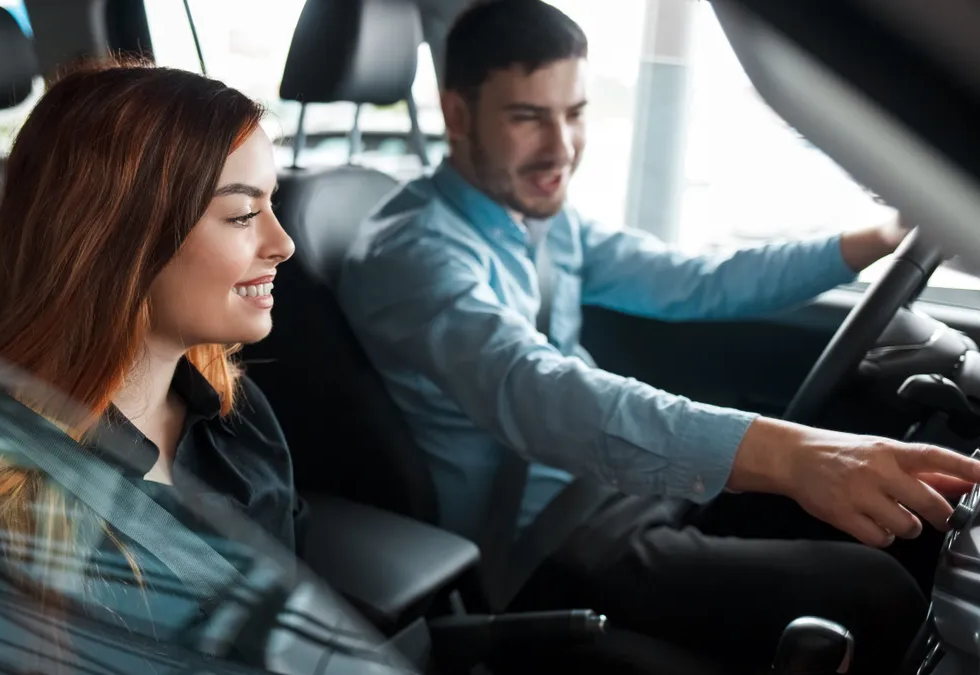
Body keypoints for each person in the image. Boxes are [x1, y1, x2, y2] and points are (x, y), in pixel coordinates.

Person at [336, 1, 980, 673]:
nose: (562, 147)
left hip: (627, 489)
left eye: (574, 113)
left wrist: (881, 236)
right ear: (458, 114)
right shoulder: (411, 255)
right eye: (528, 117)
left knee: (914, 534)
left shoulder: (539, 219)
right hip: (545, 543)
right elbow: (539, 390)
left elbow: (696, 282)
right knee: (873, 593)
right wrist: (791, 455)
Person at [0, 60, 301, 553]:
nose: (284, 244)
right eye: (242, 215)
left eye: (270, 204)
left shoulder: (236, 415)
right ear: (120, 240)